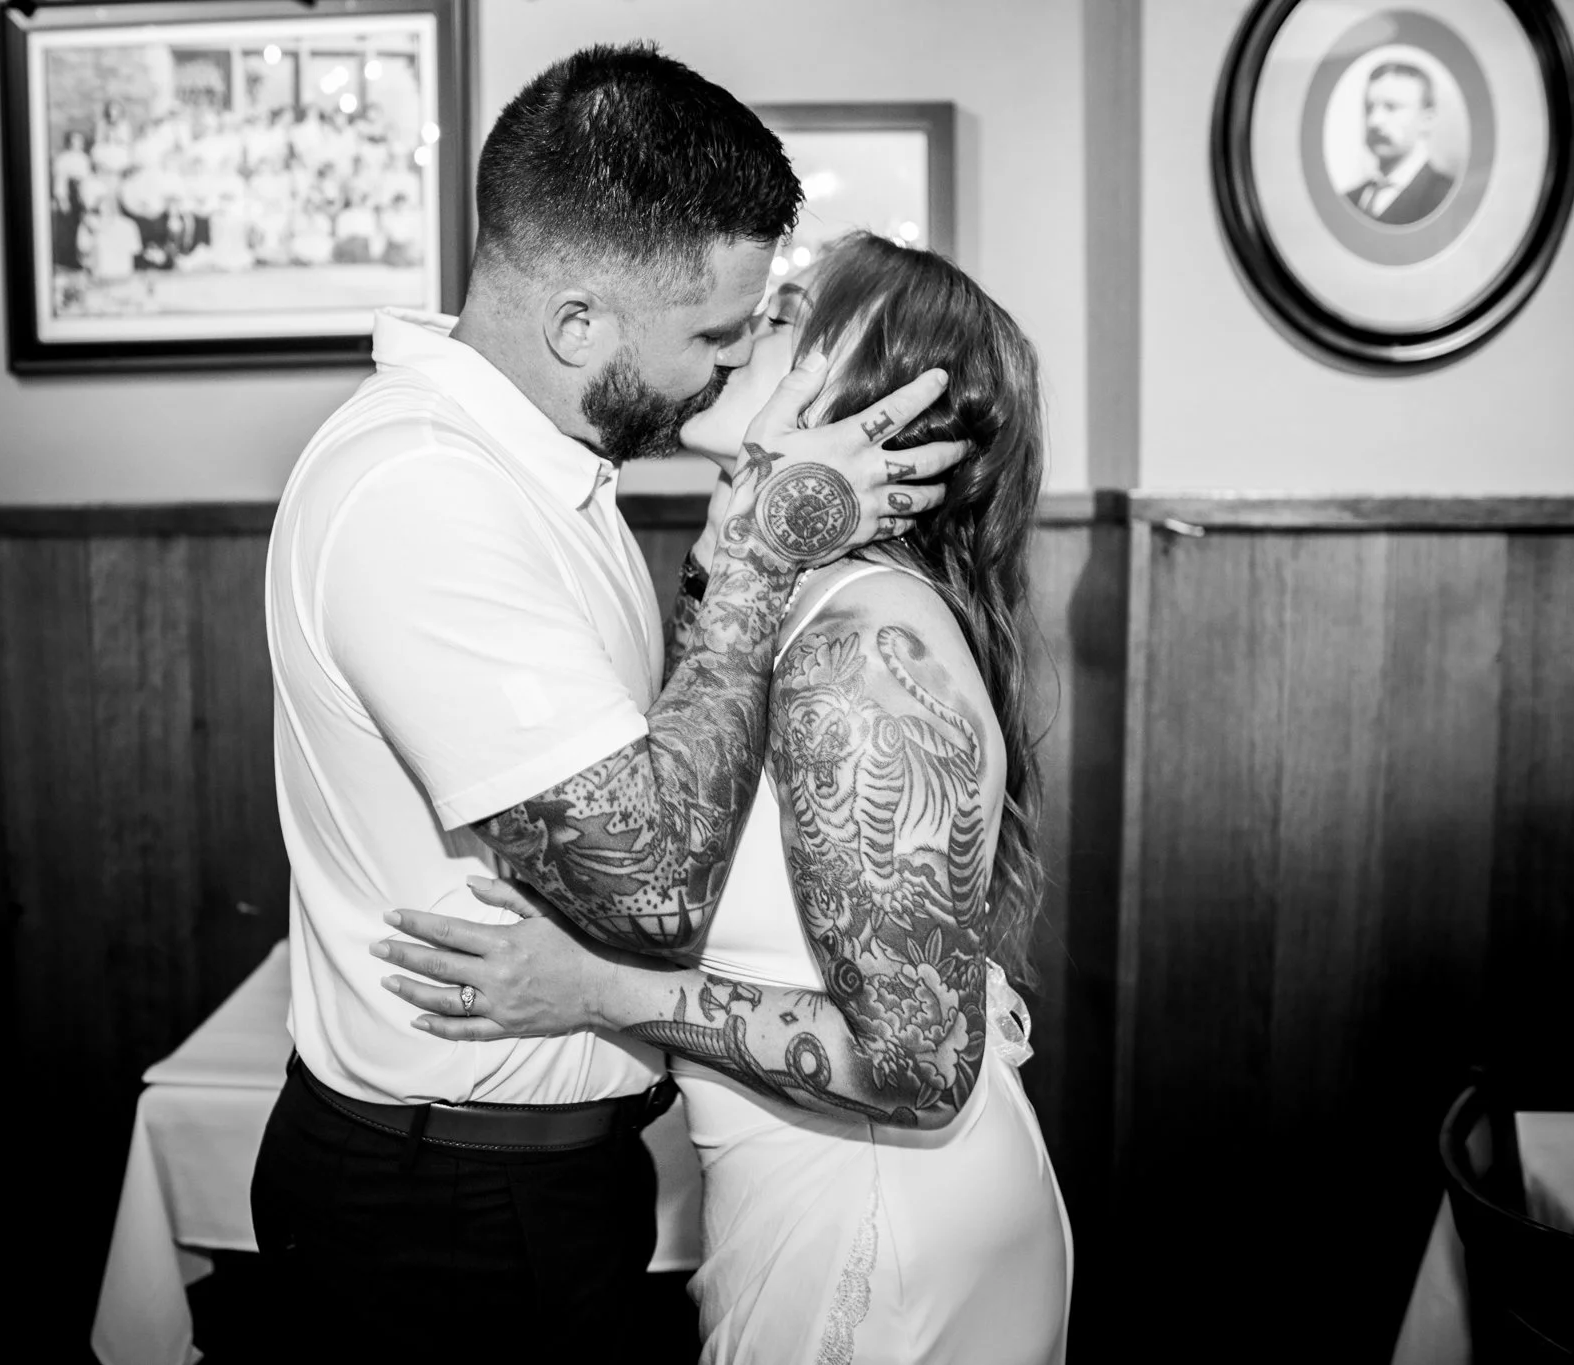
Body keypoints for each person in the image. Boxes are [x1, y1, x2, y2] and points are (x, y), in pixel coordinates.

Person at [252, 44, 969, 1361]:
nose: (732, 362)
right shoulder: (423, 493)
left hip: (551, 1180)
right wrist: (756, 557)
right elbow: (649, 889)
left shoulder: (550, 464)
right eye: (711, 334)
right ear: (577, 324)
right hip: (446, 1215)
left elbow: (675, 765)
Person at [377, 231, 1072, 1363]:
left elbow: (917, 1065)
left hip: (883, 1224)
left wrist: (598, 989)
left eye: (786, 317)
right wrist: (736, 550)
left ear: (876, 408)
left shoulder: (863, 652)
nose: (743, 336)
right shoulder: (799, 605)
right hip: (799, 1193)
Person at [1345, 60, 1453, 226]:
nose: (1374, 121)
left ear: (1427, 119)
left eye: (1392, 107)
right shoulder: (1348, 201)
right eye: (1369, 108)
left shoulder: (1446, 198)